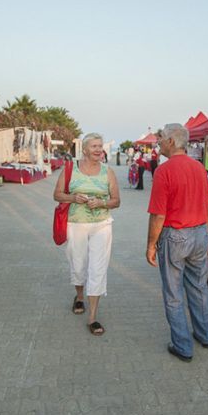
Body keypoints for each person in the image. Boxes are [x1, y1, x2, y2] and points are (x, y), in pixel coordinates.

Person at [146, 123, 208, 361]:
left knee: (174, 293)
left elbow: (158, 214)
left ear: (172, 142)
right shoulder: (198, 168)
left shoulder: (164, 171)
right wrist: (205, 235)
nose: (159, 142)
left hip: (175, 235)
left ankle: (183, 346)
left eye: (162, 138)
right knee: (199, 287)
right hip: (198, 233)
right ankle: (205, 335)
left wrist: (151, 245)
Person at [54, 133, 120, 336]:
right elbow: (56, 195)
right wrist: (74, 198)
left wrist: (102, 203)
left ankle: (92, 317)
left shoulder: (107, 172)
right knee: (79, 264)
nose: (99, 150)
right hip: (76, 224)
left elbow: (116, 200)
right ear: (84, 149)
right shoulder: (70, 169)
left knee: (98, 268)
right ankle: (79, 296)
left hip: (102, 225)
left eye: (100, 146)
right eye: (94, 146)